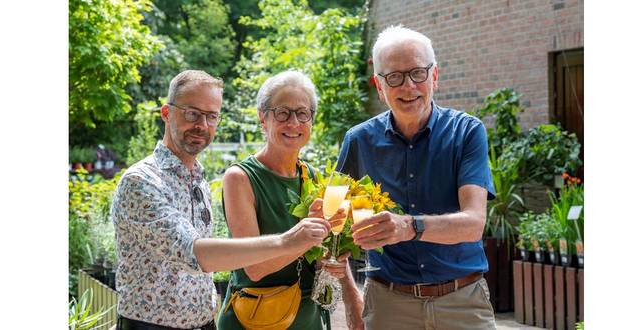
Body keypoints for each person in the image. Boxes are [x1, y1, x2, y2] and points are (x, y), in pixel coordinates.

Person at [111, 70, 332, 330]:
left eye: (211, 116)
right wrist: (290, 240)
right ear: (167, 113)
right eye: (192, 113)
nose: (202, 125)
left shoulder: (198, 179)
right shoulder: (141, 181)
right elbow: (195, 253)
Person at [336, 26, 498, 329]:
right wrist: (350, 296)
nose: (408, 86)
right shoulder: (358, 141)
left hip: (462, 301)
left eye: (418, 73)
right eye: (394, 77)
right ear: (378, 85)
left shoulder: (467, 132)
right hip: (388, 305)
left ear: (434, 76)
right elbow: (334, 226)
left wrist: (408, 227)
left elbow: (474, 224)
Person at [217, 70, 362, 330]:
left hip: (307, 318)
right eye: (282, 113)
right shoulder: (240, 178)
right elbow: (255, 268)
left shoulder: (313, 176)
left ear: (311, 121)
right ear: (263, 118)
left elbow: (320, 254)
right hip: (256, 319)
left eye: (302, 113)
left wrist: (335, 263)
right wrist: (308, 236)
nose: (293, 123)